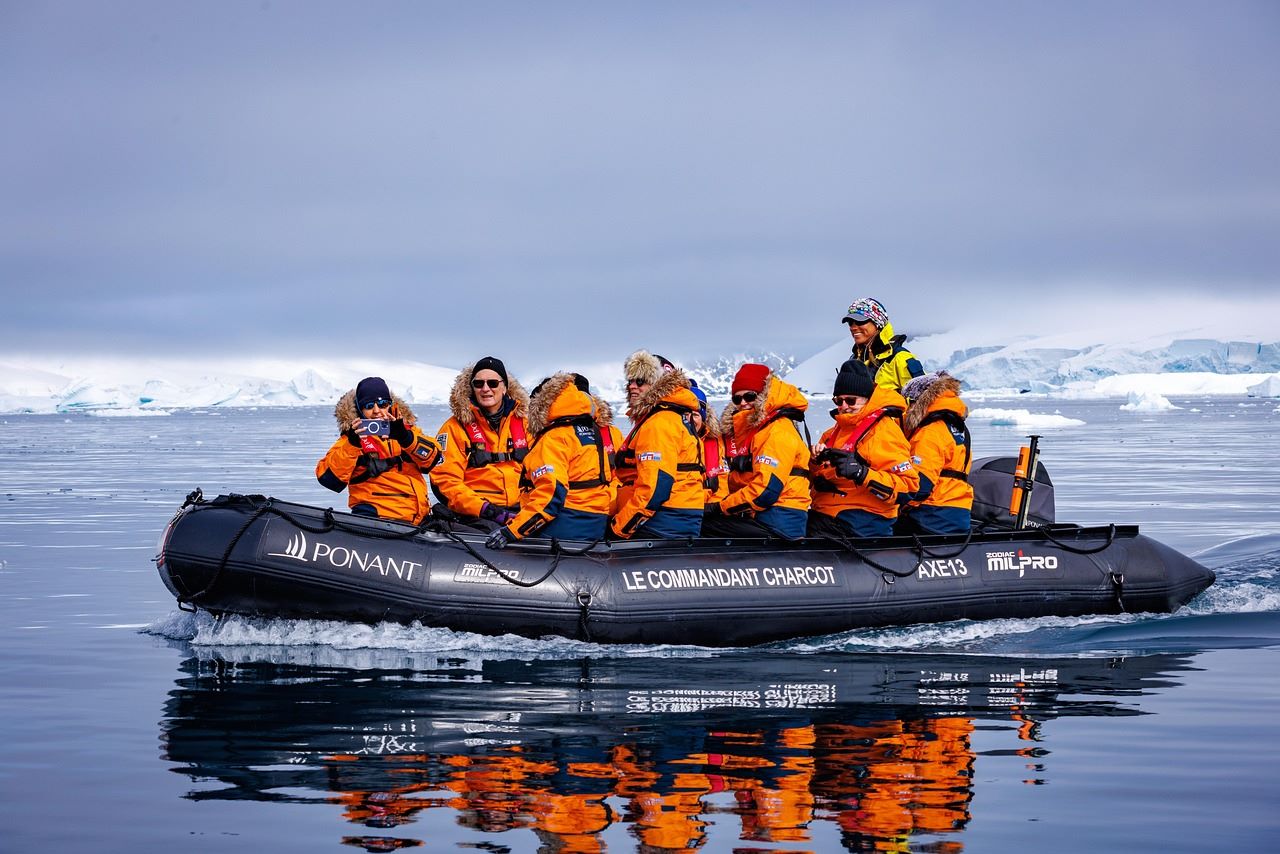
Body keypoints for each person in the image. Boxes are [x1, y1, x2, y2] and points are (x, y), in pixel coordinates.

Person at [485, 373, 615, 548]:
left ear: (541, 405)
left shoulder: (554, 438)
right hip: (595, 523)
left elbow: (551, 494)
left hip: (566, 524)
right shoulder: (591, 432)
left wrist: (511, 532)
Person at [808, 360, 920, 538]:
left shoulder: (883, 431)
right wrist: (814, 461)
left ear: (867, 398)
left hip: (864, 518)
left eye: (850, 400)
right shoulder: (831, 434)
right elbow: (815, 478)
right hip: (826, 512)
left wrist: (862, 473)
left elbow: (909, 487)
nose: (843, 406)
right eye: (839, 400)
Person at [702, 363, 811, 540]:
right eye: (737, 399)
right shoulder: (759, 430)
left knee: (704, 527)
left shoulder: (777, 431)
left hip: (780, 519)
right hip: (766, 515)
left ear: (763, 395)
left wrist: (719, 507)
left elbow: (766, 491)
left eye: (749, 396)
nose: (743, 403)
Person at [316, 376, 442, 524]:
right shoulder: (351, 439)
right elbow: (328, 479)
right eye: (369, 406)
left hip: (418, 520)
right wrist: (352, 445)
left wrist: (405, 438)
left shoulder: (407, 431)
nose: (377, 411)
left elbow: (434, 458)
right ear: (359, 409)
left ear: (390, 404)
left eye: (383, 404)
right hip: (378, 520)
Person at [611, 351, 704, 539]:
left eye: (640, 381)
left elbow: (654, 489)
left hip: (665, 518)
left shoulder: (659, 423)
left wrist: (619, 529)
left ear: (658, 384)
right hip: (678, 513)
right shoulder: (671, 417)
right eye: (630, 381)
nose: (632, 387)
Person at [432, 356, 529, 527]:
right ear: (472, 388)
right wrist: (487, 510)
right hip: (478, 515)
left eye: (492, 383)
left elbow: (544, 473)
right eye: (479, 384)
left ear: (504, 387)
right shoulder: (454, 428)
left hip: (521, 512)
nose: (486, 389)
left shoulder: (525, 424)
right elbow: (445, 480)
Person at [898, 370, 974, 534]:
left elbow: (920, 486)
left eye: (908, 402)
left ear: (920, 401)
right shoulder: (957, 427)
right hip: (958, 510)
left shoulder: (930, 432)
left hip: (932, 514)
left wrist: (895, 504)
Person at [842, 297, 925, 392]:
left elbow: (923, 397)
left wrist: (891, 405)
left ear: (878, 323)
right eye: (850, 323)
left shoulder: (900, 358)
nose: (853, 327)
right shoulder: (854, 360)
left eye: (860, 321)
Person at [690, 382, 729, 508]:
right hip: (682, 508)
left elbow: (723, 482)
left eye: (695, 415)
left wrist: (711, 508)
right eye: (686, 415)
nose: (690, 420)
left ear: (703, 418)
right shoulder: (671, 441)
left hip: (711, 507)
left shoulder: (716, 442)